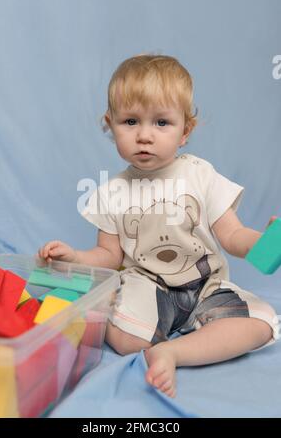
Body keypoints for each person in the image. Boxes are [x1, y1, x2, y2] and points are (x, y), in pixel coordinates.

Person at [38, 54, 279, 398]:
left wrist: (266, 245)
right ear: (110, 124)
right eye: (131, 121)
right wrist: (73, 256)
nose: (145, 136)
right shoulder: (112, 192)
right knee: (127, 340)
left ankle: (172, 352)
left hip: (205, 286)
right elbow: (108, 255)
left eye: (162, 123)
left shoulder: (200, 175)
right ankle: (115, 315)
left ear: (185, 131)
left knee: (260, 323)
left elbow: (233, 235)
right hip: (148, 287)